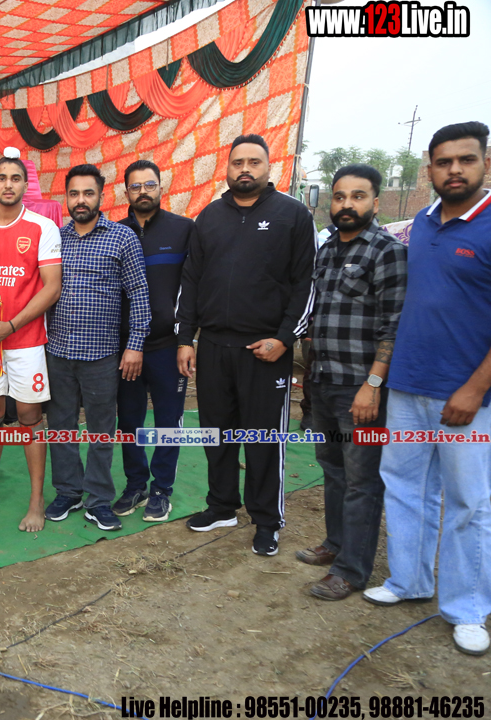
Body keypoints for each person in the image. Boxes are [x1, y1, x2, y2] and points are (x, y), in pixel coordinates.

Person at [363, 121, 491, 656]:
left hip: (466, 396)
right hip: (409, 384)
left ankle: (467, 609)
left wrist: (475, 389)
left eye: (466, 159)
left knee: (468, 503)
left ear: (485, 163)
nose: (454, 170)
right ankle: (409, 580)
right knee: (405, 487)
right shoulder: (421, 221)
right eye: (444, 162)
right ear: (430, 169)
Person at [176, 134, 316, 557]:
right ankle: (221, 506)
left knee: (262, 440)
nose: (245, 169)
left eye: (254, 162)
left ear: (269, 167)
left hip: (266, 351)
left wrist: (285, 339)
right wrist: (186, 339)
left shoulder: (292, 214)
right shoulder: (209, 217)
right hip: (214, 347)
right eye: (238, 162)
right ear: (227, 168)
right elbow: (191, 281)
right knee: (216, 434)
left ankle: (267, 520)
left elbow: (306, 283)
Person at [299, 164, 406, 601]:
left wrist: (373, 385)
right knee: (332, 468)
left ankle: (351, 570)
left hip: (360, 387)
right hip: (323, 380)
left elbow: (394, 325)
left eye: (358, 196)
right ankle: (335, 543)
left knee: (362, 480)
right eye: (340, 196)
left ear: (375, 203)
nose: (347, 204)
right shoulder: (327, 250)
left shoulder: (387, 251)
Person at [45, 164, 149, 532]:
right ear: (66, 197)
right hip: (58, 352)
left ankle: (99, 499)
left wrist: (135, 345)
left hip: (102, 355)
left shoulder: (122, 238)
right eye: (74, 193)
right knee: (61, 427)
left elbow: (139, 293)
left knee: (102, 431)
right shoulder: (56, 238)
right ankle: (68, 492)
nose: (81, 200)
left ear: (102, 196)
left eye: (88, 193)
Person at [0, 151, 61, 532]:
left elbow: (52, 288)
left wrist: (12, 325)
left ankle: (36, 500)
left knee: (29, 416)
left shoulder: (42, 228)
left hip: (27, 341)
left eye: (15, 178)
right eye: (1, 178)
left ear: (25, 184)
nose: (8, 184)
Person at [113, 160, 195, 522]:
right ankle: (136, 484)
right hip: (126, 347)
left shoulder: (184, 230)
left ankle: (162, 489)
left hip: (167, 346)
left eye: (149, 184)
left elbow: (193, 288)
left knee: (168, 421)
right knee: (129, 420)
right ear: (125, 192)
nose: (143, 192)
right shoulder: (115, 232)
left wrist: (187, 339)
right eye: (135, 186)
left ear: (161, 187)